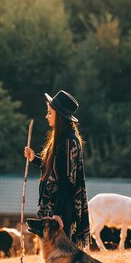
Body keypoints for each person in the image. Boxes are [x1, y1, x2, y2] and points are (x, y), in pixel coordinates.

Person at [24, 90, 90, 247]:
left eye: (49, 113)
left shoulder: (68, 142)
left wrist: (58, 214)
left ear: (59, 115)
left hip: (61, 209)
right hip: (55, 208)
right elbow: (54, 170)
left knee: (62, 253)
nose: (46, 116)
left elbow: (66, 181)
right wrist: (34, 159)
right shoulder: (61, 139)